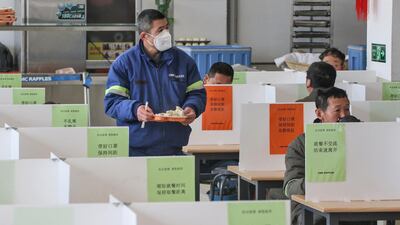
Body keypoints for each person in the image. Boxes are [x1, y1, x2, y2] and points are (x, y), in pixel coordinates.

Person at [104, 9, 206, 156]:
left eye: (167, 28)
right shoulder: (125, 63)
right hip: (135, 150)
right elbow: (112, 103)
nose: (166, 34)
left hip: (174, 149)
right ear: (145, 36)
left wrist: (192, 107)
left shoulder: (184, 61)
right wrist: (135, 110)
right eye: (160, 30)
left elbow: (197, 93)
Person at [284, 87, 363, 225]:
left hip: (351, 202)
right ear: (320, 113)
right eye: (337, 110)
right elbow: (290, 187)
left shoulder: (359, 137)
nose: (344, 115)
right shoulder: (301, 143)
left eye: (347, 109)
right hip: (310, 207)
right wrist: (321, 179)